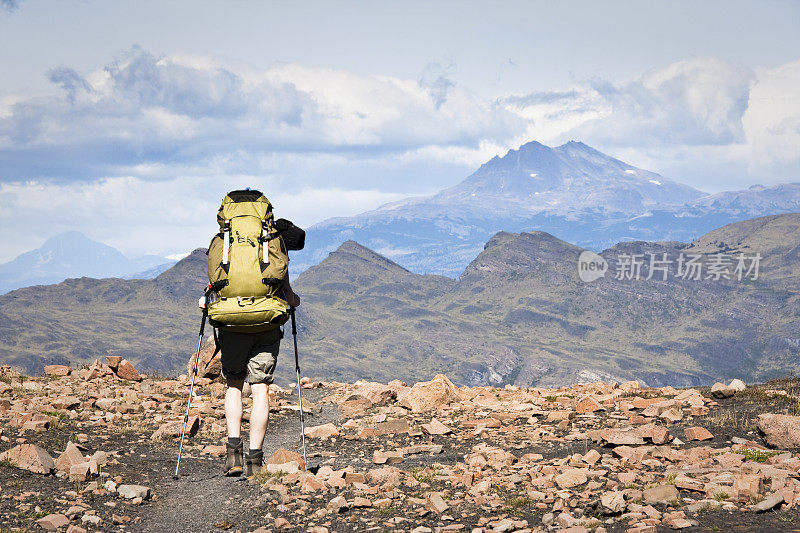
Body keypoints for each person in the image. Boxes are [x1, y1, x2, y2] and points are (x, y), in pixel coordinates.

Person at [222, 277, 300, 477]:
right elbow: (288, 293)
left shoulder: (226, 245)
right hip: (266, 322)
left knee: (234, 385)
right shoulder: (273, 245)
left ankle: (233, 457)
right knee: (260, 388)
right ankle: (254, 462)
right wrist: (293, 299)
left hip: (231, 321)